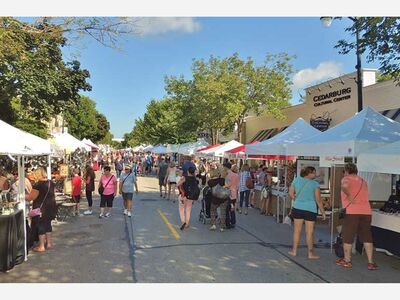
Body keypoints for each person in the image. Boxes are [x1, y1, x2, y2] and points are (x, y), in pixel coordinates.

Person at [336, 163, 378, 270]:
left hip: (352, 213)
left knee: (348, 237)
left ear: (346, 170)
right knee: (367, 237)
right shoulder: (363, 181)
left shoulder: (346, 178)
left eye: (343, 171)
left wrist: (349, 195)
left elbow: (344, 186)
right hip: (366, 212)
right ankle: (370, 263)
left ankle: (347, 260)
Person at [288, 166, 326, 259]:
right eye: (314, 172)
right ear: (309, 173)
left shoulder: (296, 180)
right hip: (310, 209)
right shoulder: (315, 184)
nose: (315, 174)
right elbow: (318, 200)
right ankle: (310, 254)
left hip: (297, 208)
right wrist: (323, 212)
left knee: (297, 231)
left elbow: (290, 193)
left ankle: (294, 251)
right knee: (309, 232)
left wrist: (296, 199)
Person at [25, 167, 57, 252]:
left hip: (41, 209)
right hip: (51, 207)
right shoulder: (50, 182)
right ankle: (49, 243)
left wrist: (23, 196)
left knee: (41, 226)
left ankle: (41, 246)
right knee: (48, 225)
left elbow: (31, 197)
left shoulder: (38, 185)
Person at [225, 163, 239, 229]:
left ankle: (227, 223)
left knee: (227, 209)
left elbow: (227, 185)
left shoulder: (227, 175)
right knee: (232, 209)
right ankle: (233, 222)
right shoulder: (236, 175)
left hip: (228, 194)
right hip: (234, 194)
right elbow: (238, 186)